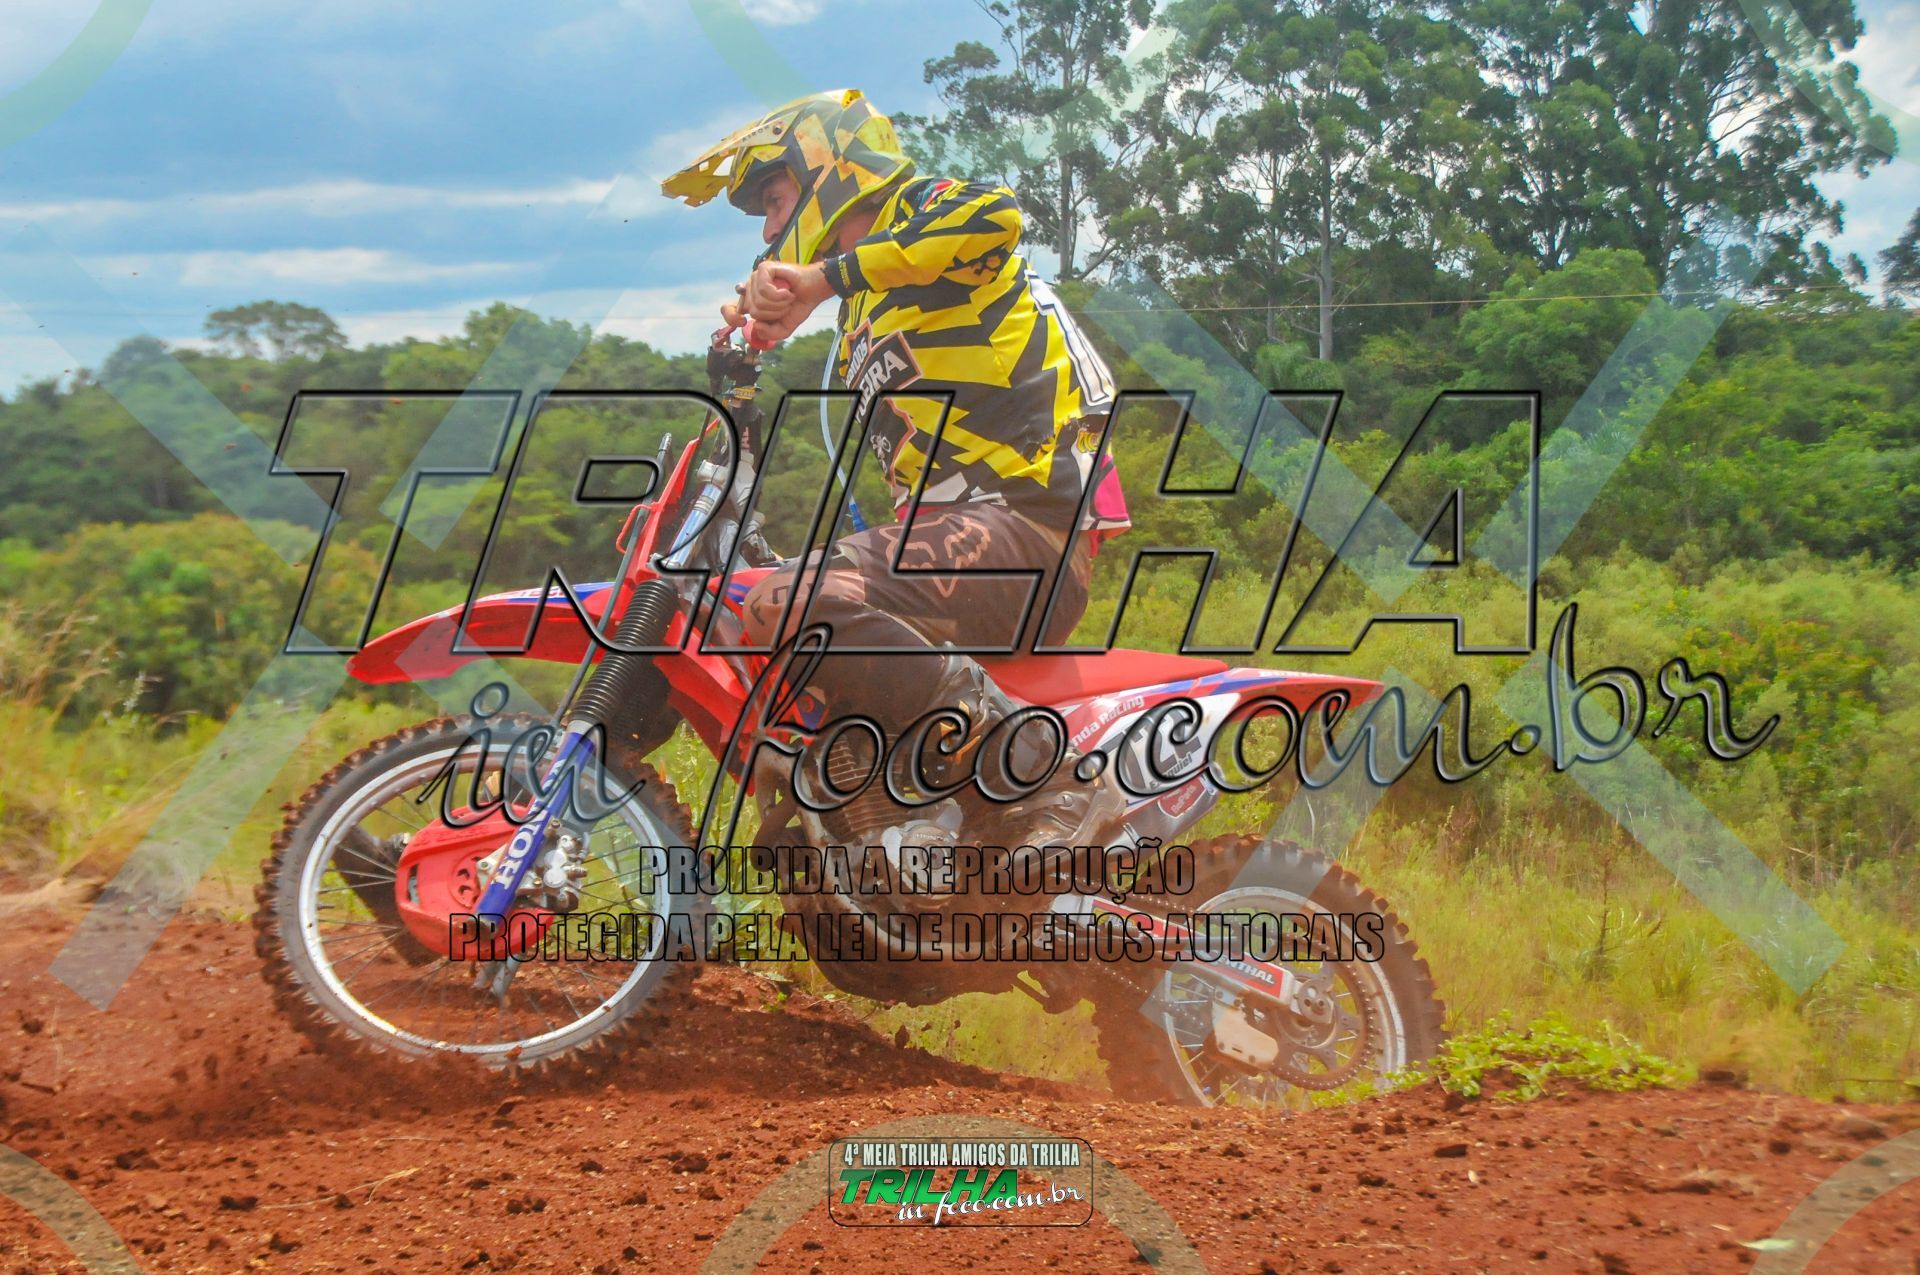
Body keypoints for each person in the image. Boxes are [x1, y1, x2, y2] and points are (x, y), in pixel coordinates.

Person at [662, 88, 1130, 854]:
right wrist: (742, 360)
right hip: (959, 549)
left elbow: (997, 216)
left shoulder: (929, 210)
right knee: (788, 680)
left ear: (832, 169)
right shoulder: (864, 307)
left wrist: (822, 278)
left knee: (791, 602)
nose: (771, 229)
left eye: (775, 201)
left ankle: (1048, 777)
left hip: (1028, 532)